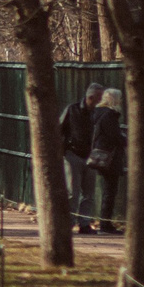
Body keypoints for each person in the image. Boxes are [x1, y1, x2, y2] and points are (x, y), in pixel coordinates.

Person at [60, 83, 103, 231]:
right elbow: (60, 129)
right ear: (91, 97)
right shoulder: (72, 110)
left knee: (89, 193)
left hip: (90, 156)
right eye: (99, 98)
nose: (101, 101)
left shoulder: (98, 113)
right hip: (73, 154)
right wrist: (63, 150)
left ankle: (84, 223)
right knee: (73, 192)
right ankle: (69, 222)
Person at [88, 87, 126, 234]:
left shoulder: (96, 113)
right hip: (109, 157)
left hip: (97, 154)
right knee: (110, 191)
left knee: (105, 190)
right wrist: (125, 139)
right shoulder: (110, 115)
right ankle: (105, 224)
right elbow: (114, 136)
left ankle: (103, 222)